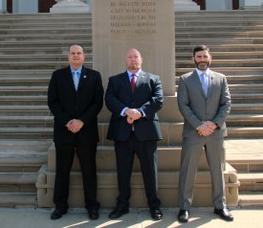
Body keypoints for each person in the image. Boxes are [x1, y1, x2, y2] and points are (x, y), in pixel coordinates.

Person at [177, 44, 234, 223]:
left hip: (216, 133)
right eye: (199, 57)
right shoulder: (185, 79)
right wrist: (199, 125)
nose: (202, 60)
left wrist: (214, 124)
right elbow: (183, 105)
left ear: (211, 58)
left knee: (218, 170)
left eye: (204, 56)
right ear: (193, 59)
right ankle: (184, 208)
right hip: (193, 133)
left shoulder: (221, 78)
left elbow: (226, 103)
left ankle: (220, 206)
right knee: (188, 171)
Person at [105, 48, 163, 220]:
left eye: (135, 57)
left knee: (150, 171)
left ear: (141, 59)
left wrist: (139, 112)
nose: (132, 60)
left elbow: (158, 100)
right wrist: (126, 111)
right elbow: (110, 99)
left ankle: (154, 206)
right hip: (122, 133)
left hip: (146, 133)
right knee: (123, 171)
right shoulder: (115, 80)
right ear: (125, 60)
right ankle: (122, 205)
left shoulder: (154, 79)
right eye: (129, 57)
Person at [47, 44, 104, 221]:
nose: (76, 56)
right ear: (68, 57)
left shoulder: (94, 76)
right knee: (62, 170)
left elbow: (97, 102)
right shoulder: (58, 76)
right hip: (64, 132)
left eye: (79, 53)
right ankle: (60, 205)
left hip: (86, 131)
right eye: (73, 53)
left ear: (84, 57)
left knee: (89, 170)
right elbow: (53, 102)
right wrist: (68, 122)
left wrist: (82, 121)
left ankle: (92, 206)